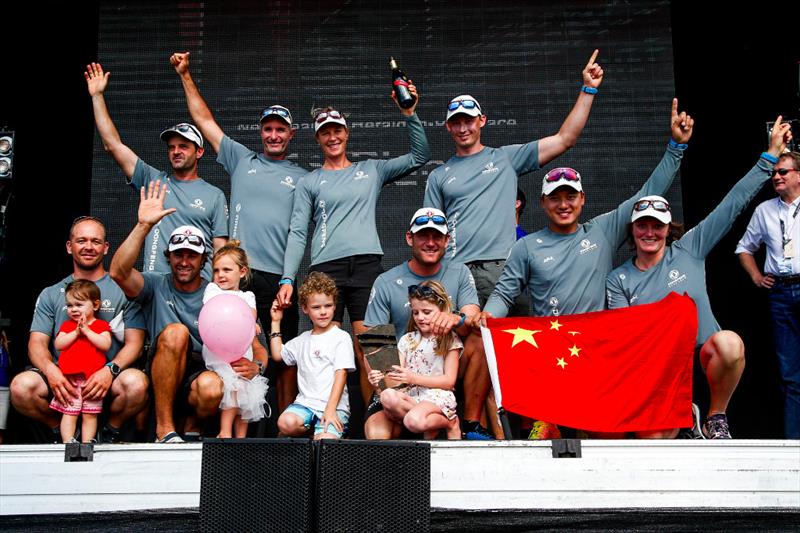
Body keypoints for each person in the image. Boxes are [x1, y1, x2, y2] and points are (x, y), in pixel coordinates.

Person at [606, 117, 792, 439]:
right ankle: (681, 416)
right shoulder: (618, 279)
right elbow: (628, 338)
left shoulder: (689, 249)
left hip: (701, 348)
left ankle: (715, 416)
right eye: (642, 225)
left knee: (730, 345)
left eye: (657, 225)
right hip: (655, 363)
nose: (650, 232)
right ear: (632, 230)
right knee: (653, 440)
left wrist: (770, 158)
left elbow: (731, 204)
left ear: (668, 228)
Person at [170, 51, 305, 414]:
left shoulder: (304, 178)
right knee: (233, 351)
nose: (274, 135)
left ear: (290, 134)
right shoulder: (241, 159)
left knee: (282, 352)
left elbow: (300, 232)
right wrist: (185, 74)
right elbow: (203, 119)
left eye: (281, 129)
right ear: (261, 132)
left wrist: (289, 277)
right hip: (238, 278)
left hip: (278, 278)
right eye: (268, 129)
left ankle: (286, 428)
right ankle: (226, 427)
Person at [278, 84, 430, 402]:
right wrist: (288, 277)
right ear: (318, 139)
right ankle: (326, 418)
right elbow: (297, 232)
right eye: (325, 133)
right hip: (325, 270)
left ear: (347, 134)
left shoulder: (370, 170)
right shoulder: (309, 182)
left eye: (337, 131)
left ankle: (378, 417)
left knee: (374, 349)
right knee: (325, 350)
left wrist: (410, 113)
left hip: (365, 266)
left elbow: (420, 156)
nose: (332, 137)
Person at [482, 99, 693, 320]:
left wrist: (676, 147)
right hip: (552, 348)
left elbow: (649, 191)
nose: (564, 205)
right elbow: (504, 295)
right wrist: (487, 315)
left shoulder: (602, 231)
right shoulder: (526, 246)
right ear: (543, 202)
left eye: (571, 197)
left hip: (596, 345)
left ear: (582, 199)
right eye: (555, 198)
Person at [424, 50, 604, 307]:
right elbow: (429, 234)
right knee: (461, 346)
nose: (463, 128)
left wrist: (588, 90)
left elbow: (565, 139)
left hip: (501, 268)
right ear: (448, 127)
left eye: (469, 120)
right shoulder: (439, 175)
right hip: (457, 270)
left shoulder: (504, 158)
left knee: (513, 343)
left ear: (482, 121)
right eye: (456, 123)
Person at [111, 181, 263, 443]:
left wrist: (256, 366)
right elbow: (118, 272)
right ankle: (164, 431)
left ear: (204, 259)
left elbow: (257, 348)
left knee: (213, 388)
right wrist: (143, 226)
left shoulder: (221, 296)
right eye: (178, 254)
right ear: (168, 257)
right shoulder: (156, 283)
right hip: (162, 363)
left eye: (192, 255)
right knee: (177, 333)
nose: (184, 261)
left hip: (199, 371)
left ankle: (192, 428)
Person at [11, 216, 148, 444]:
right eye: (81, 240)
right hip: (65, 378)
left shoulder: (122, 290)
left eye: (95, 241)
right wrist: (51, 371)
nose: (88, 247)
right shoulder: (51, 293)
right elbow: (36, 344)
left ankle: (108, 431)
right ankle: (62, 432)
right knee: (20, 388)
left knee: (137, 384)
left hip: (107, 377)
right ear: (69, 246)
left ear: (105, 248)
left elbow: (135, 343)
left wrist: (110, 370)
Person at [85, 62, 228, 276]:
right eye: (171, 147)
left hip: (199, 290)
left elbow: (221, 251)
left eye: (183, 146)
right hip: (156, 284)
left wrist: (219, 292)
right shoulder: (153, 180)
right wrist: (97, 96)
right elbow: (113, 145)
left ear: (199, 152)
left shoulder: (214, 195)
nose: (176, 151)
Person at [362, 208, 486, 439]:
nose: (431, 243)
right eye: (423, 236)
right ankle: (426, 420)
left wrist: (456, 318)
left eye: (437, 236)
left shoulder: (460, 272)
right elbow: (374, 344)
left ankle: (469, 423)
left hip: (444, 370)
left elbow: (473, 320)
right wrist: (394, 388)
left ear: (447, 240)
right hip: (404, 370)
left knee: (481, 337)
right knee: (378, 434)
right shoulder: (387, 281)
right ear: (410, 238)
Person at [735, 144, 800, 438]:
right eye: (773, 173)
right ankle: (793, 447)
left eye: (782, 171)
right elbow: (744, 249)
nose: (776, 177)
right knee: (790, 375)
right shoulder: (765, 210)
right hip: (781, 294)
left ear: (799, 176)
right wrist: (757, 277)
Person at [367, 281, 463, 440]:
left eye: (426, 312)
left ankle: (450, 422)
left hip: (436, 397)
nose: (420, 317)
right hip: (413, 396)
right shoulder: (407, 340)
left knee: (413, 422)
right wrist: (378, 378)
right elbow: (396, 375)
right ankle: (426, 422)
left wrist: (413, 378)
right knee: (387, 397)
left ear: (441, 310)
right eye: (416, 312)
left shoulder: (449, 339)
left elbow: (449, 381)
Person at [269, 272, 356, 440]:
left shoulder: (341, 337)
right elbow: (278, 355)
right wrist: (275, 322)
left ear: (334, 306)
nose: (323, 312)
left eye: (328, 306)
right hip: (306, 405)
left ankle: (326, 430)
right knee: (284, 423)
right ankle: (312, 431)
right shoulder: (303, 340)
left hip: (334, 407)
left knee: (324, 441)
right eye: (316, 307)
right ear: (305, 308)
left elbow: (341, 374)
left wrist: (330, 410)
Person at [201, 241, 269, 438]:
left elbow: (251, 314)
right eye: (216, 270)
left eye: (227, 270)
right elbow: (214, 313)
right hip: (219, 351)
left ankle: (241, 437)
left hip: (241, 350)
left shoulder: (248, 296)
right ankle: (224, 431)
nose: (220, 275)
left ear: (242, 271)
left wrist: (251, 321)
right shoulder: (213, 291)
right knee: (232, 386)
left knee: (246, 391)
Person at [49, 280, 112, 443]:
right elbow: (58, 344)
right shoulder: (68, 326)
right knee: (70, 413)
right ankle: (68, 442)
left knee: (89, 414)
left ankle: (86, 443)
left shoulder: (101, 325)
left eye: (79, 304)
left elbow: (105, 344)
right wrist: (76, 332)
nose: (73, 309)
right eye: (69, 305)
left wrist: (87, 331)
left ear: (96, 305)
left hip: (92, 380)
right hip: (71, 378)